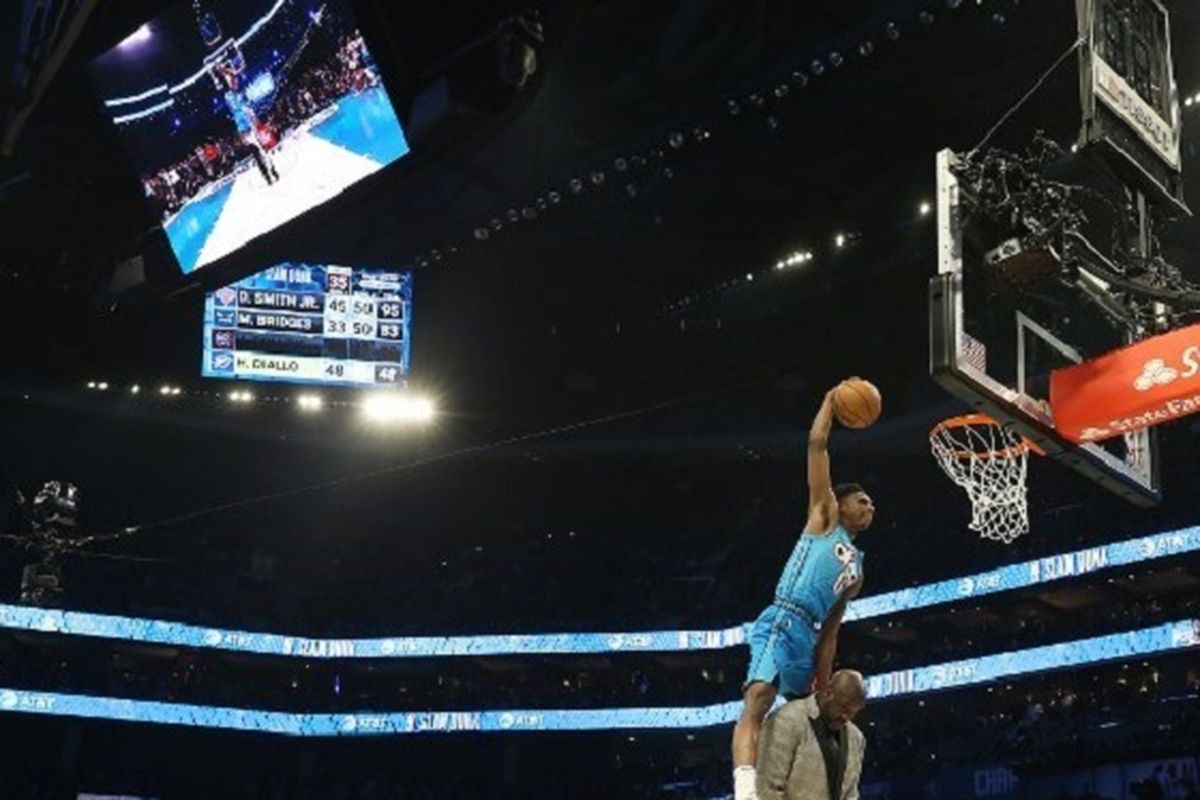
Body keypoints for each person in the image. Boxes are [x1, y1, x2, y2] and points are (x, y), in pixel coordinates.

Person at [731, 383, 875, 800]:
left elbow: (831, 631)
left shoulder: (858, 570)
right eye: (863, 501)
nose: (870, 508)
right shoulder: (824, 516)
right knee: (758, 696)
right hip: (783, 616)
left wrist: (824, 683)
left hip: (809, 637)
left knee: (813, 718)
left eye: (873, 505)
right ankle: (745, 789)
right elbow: (816, 445)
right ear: (842, 504)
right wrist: (830, 403)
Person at [755, 669, 868, 800]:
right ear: (828, 693)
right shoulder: (787, 719)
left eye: (853, 712)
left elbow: (850, 795)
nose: (846, 717)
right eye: (843, 707)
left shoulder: (856, 738)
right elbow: (767, 788)